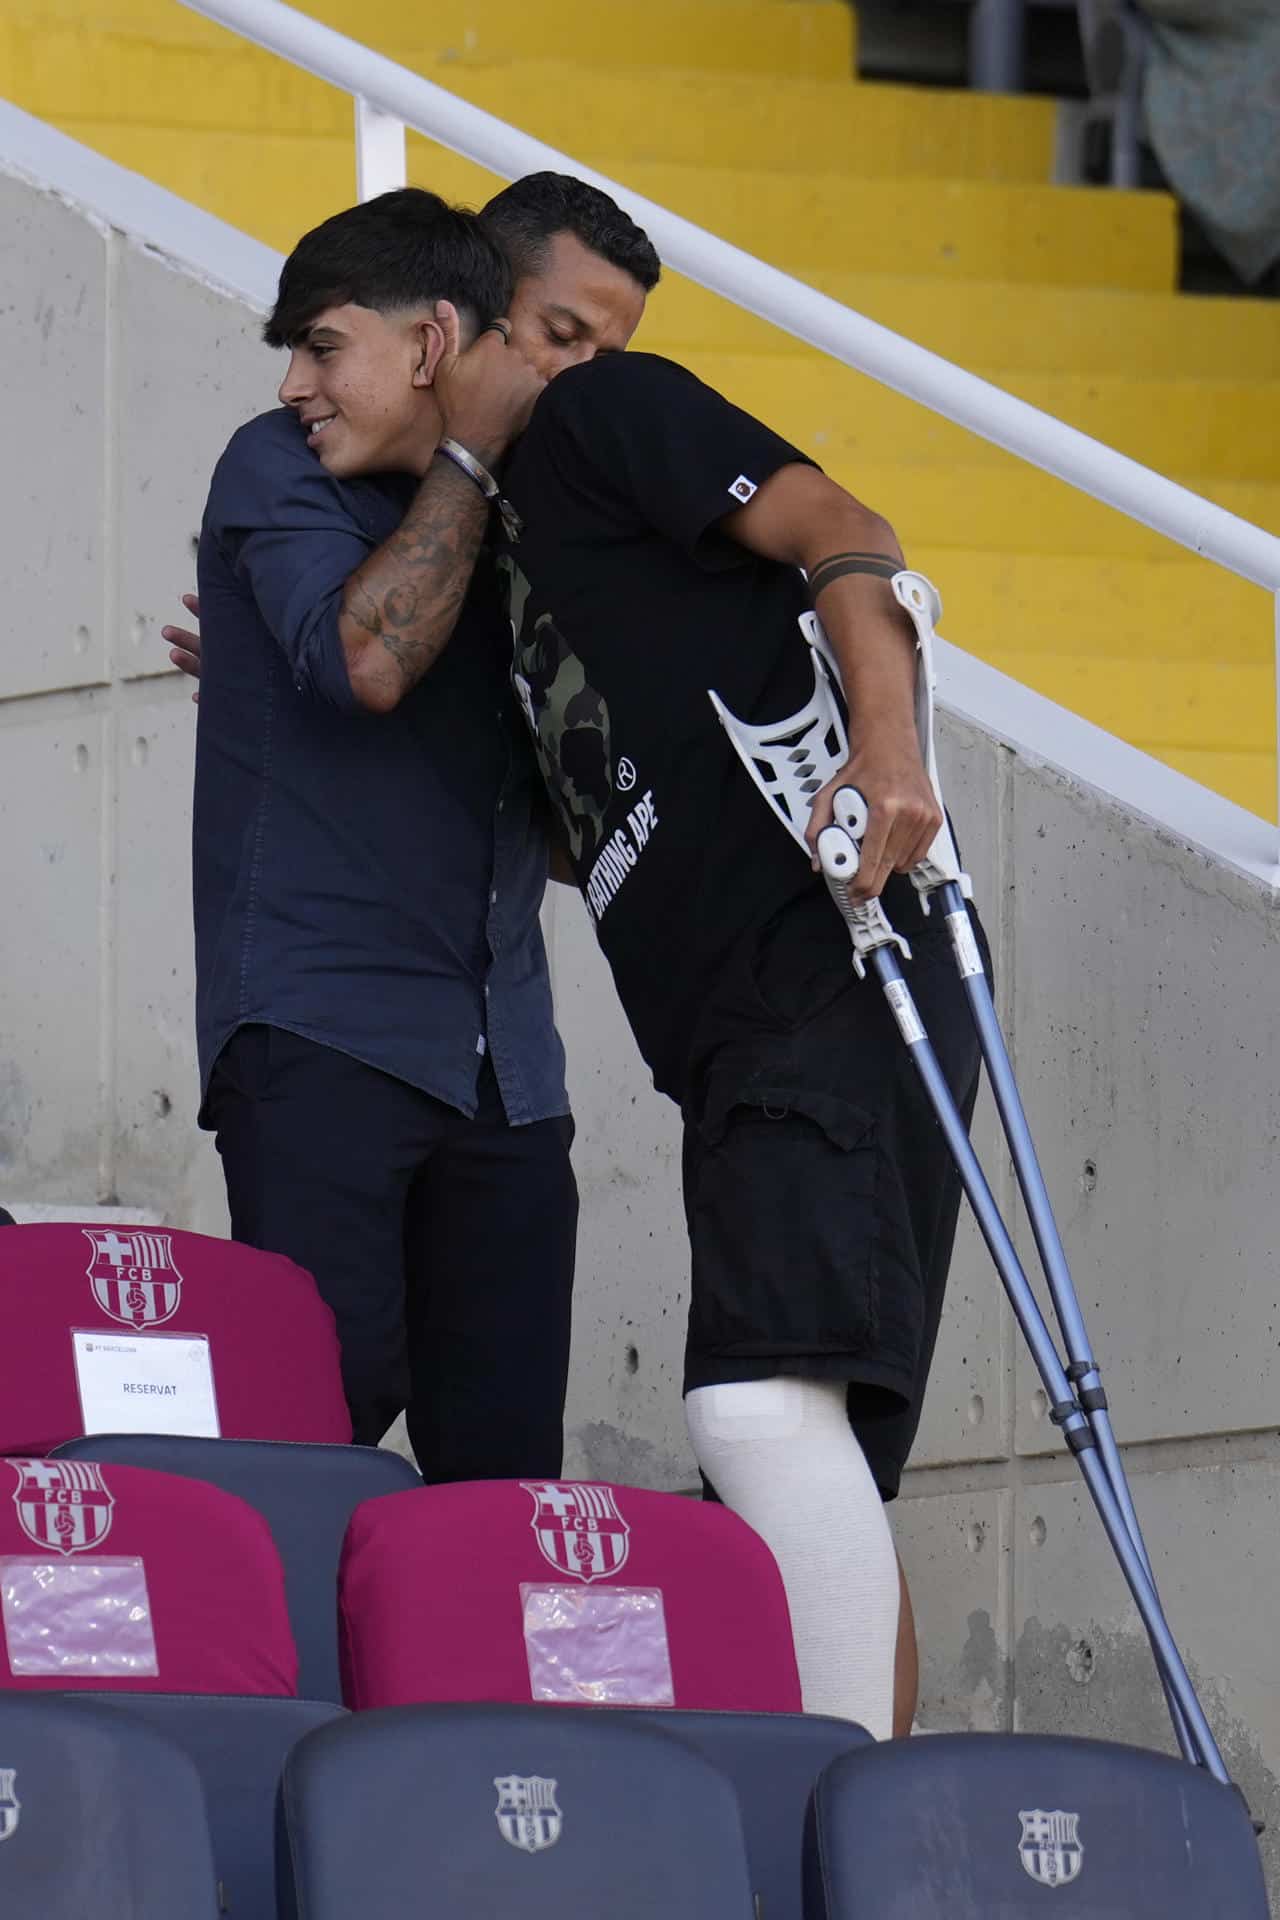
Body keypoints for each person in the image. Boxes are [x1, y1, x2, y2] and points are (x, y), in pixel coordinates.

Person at [490, 350, 985, 1739]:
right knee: (816, 1441)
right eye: (564, 325)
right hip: (747, 1009)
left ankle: (833, 1816)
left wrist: (893, 756)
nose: (574, 357)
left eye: (592, 328)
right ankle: (863, 1823)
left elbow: (848, 533)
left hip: (825, 946)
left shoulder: (599, 418)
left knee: (764, 1411)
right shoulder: (515, 557)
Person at [188, 182, 658, 1482]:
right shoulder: (282, 460)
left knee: (507, 1472)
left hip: (510, 1065)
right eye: (560, 335)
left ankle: (488, 1697)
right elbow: (366, 663)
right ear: (465, 325)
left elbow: (575, 830)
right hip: (322, 1025)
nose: (580, 377)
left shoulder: (553, 510)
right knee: (315, 1427)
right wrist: (468, 459)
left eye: (609, 355)